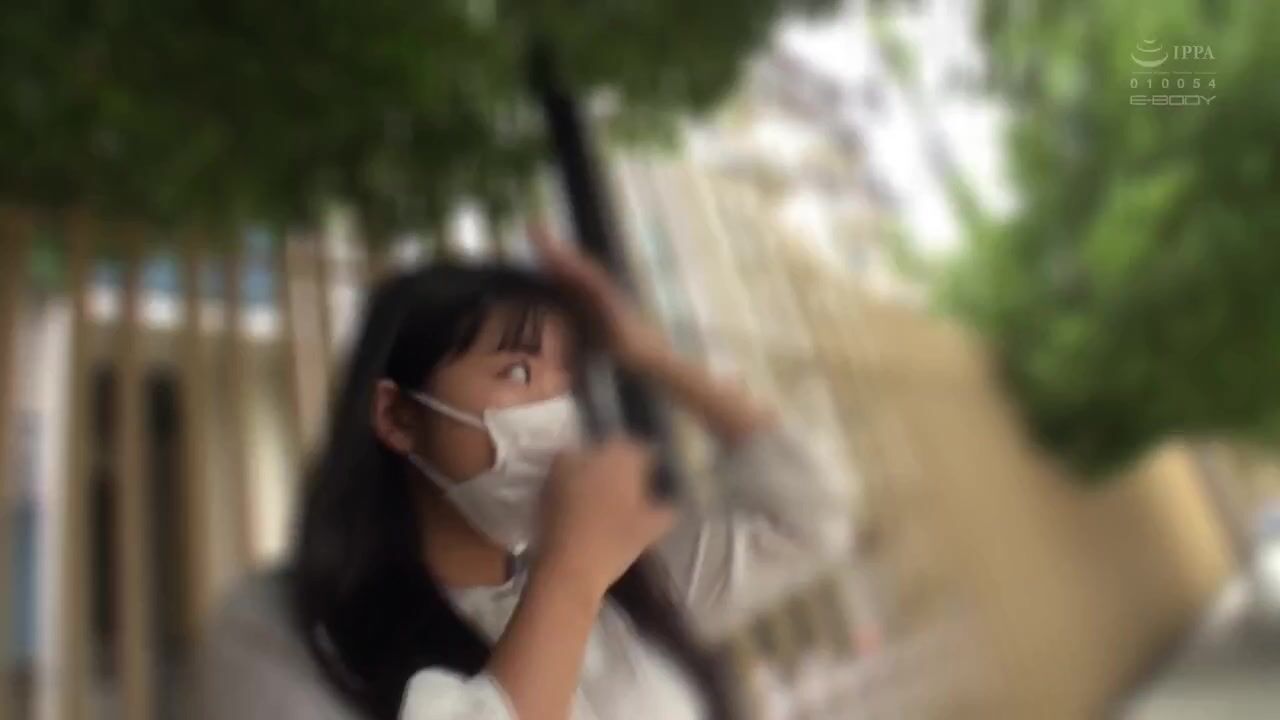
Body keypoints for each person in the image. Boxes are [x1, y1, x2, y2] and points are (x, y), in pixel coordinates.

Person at [198, 231, 853, 720]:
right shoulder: (281, 628)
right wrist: (569, 577)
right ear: (398, 415)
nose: (557, 412)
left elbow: (808, 514)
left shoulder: (628, 581)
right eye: (518, 373)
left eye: (569, 381)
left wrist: (647, 353)